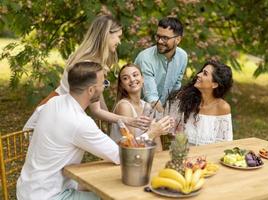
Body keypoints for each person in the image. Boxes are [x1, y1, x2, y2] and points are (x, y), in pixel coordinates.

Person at [17, 61, 169, 200]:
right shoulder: (79, 123)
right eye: (103, 83)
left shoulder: (54, 102)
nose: (104, 87)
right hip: (49, 195)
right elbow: (122, 155)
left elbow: (30, 127)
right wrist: (152, 133)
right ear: (91, 90)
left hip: (28, 186)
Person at [24, 15, 149, 131]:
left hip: (59, 114)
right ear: (107, 35)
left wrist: (112, 122)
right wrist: (129, 120)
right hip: (50, 116)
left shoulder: (94, 62)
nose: (119, 42)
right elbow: (96, 111)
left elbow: (99, 99)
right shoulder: (87, 64)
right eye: (118, 36)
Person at [170, 60, 233, 145]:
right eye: (201, 72)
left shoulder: (222, 108)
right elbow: (169, 132)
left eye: (205, 73)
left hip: (209, 157)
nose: (198, 75)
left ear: (214, 84)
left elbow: (225, 143)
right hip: (182, 154)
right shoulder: (184, 100)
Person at [110, 63, 172, 151]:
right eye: (125, 78)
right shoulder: (124, 106)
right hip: (123, 159)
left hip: (142, 157)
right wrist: (153, 131)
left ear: (142, 79)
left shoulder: (147, 106)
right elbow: (132, 146)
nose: (132, 79)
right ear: (122, 85)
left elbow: (156, 141)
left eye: (135, 75)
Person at [134, 17, 188, 113]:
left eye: (165, 38)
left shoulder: (182, 56)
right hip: (138, 112)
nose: (159, 41)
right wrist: (165, 119)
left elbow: (176, 87)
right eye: (158, 36)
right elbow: (151, 97)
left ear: (178, 40)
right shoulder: (145, 58)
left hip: (161, 112)